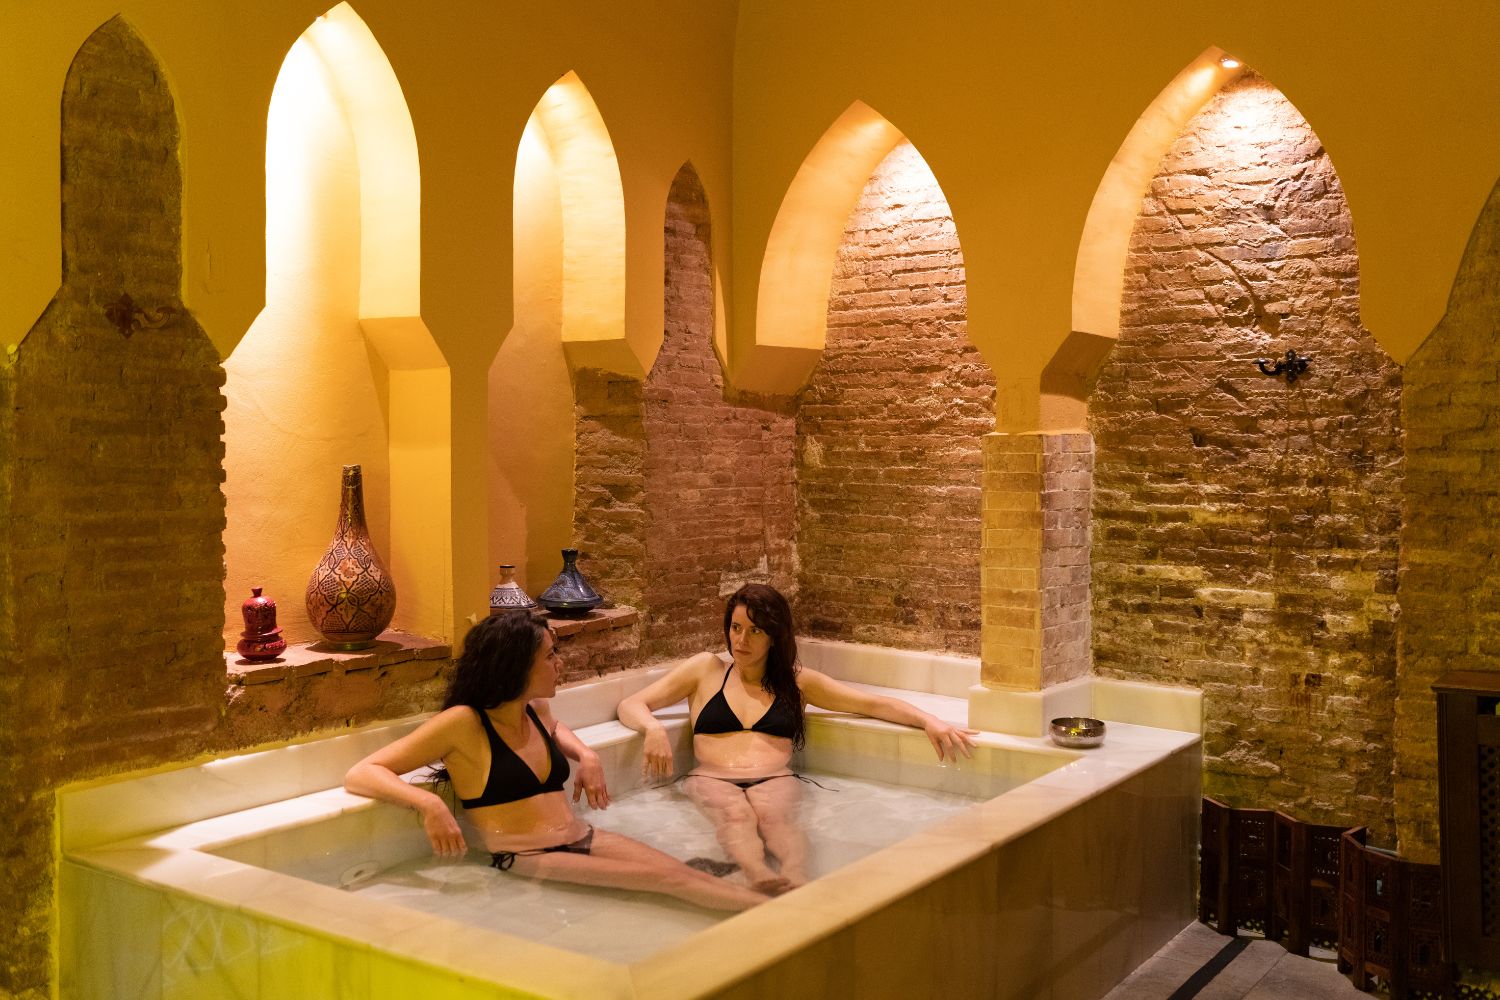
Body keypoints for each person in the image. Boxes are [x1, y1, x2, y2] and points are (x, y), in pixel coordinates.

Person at [344, 611, 767, 912]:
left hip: (581, 835)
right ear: (516, 666)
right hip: (524, 855)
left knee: (691, 873)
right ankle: (787, 924)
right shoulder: (463, 725)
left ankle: (777, 913)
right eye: (550, 655)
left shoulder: (536, 710)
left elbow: (556, 727)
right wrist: (429, 805)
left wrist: (584, 754)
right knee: (671, 881)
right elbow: (363, 773)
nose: (559, 663)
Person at [617, 584, 979, 894]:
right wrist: (652, 728)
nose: (740, 640)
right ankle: (757, 875)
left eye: (755, 631)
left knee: (777, 821)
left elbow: (871, 704)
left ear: (775, 636)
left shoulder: (798, 683)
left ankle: (795, 879)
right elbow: (632, 704)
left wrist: (929, 720)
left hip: (774, 776)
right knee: (736, 817)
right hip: (712, 776)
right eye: (736, 627)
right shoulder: (704, 671)